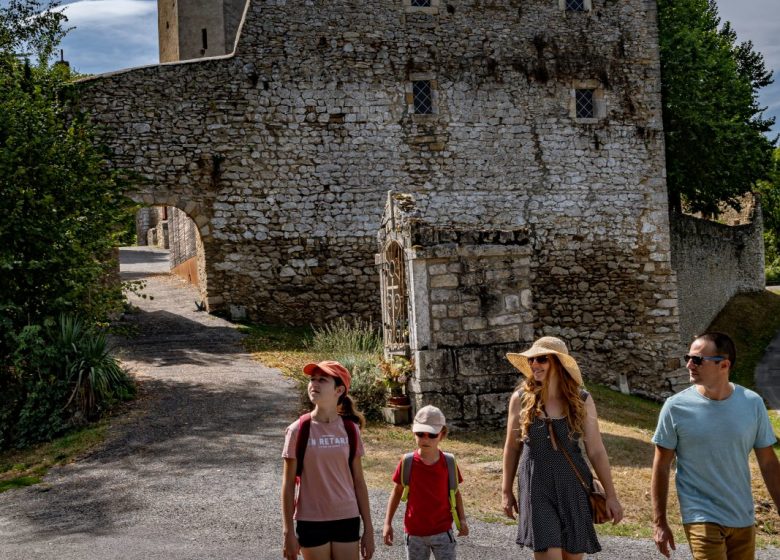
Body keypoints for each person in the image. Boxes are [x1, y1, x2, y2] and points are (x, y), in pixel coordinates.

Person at [651, 331, 780, 560]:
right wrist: (659, 522)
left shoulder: (752, 403)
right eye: (687, 358)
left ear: (724, 365)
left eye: (698, 359)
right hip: (700, 515)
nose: (690, 364)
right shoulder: (675, 407)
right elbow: (661, 467)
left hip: (742, 517)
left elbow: (769, 462)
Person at [501, 336, 624, 560]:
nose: (534, 364)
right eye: (531, 360)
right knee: (549, 553)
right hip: (537, 486)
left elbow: (596, 450)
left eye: (541, 359)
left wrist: (612, 496)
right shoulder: (520, 399)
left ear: (557, 362)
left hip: (573, 486)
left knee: (572, 555)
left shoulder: (581, 399)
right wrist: (506, 491)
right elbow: (511, 448)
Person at [281, 360, 375, 560]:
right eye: (312, 379)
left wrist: (369, 528)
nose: (314, 384)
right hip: (311, 519)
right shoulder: (297, 430)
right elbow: (288, 485)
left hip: (347, 517)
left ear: (339, 390)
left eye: (322, 380)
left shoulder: (351, 430)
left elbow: (359, 481)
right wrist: (288, 531)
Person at [383, 404, 469, 559]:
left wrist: (462, 520)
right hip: (414, 534)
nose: (425, 439)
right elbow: (396, 492)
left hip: (443, 532)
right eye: (420, 433)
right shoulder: (407, 462)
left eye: (432, 435)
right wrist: (387, 523)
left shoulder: (448, 462)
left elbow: (455, 494)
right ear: (414, 433)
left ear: (442, 435)